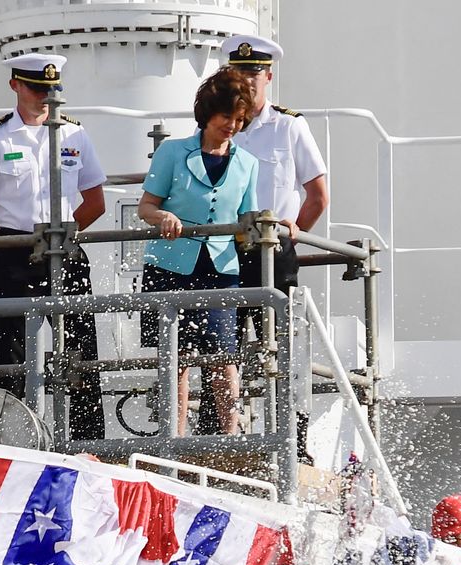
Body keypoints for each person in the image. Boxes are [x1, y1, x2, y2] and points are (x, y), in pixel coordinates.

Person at [0, 52, 108, 440]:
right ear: (15, 86)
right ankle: (9, 438)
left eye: (51, 89)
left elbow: (95, 201)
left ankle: (89, 439)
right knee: (9, 353)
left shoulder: (74, 134)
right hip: (17, 252)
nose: (45, 96)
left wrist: (67, 232)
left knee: (80, 346)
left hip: (67, 249)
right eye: (37, 88)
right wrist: (9, 243)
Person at [136, 68, 260, 435]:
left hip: (222, 269)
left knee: (224, 356)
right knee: (176, 358)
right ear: (208, 113)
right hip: (170, 266)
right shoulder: (172, 152)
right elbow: (146, 207)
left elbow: (246, 220)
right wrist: (164, 216)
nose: (233, 126)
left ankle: (228, 434)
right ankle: (172, 438)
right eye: (227, 117)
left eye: (240, 119)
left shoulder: (248, 164)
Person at [223, 34, 328, 330]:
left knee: (282, 340)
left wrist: (293, 235)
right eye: (241, 72)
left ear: (268, 76)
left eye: (255, 73)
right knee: (223, 347)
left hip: (275, 247)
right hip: (225, 247)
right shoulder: (217, 127)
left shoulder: (289, 125)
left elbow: (318, 196)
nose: (248, 80)